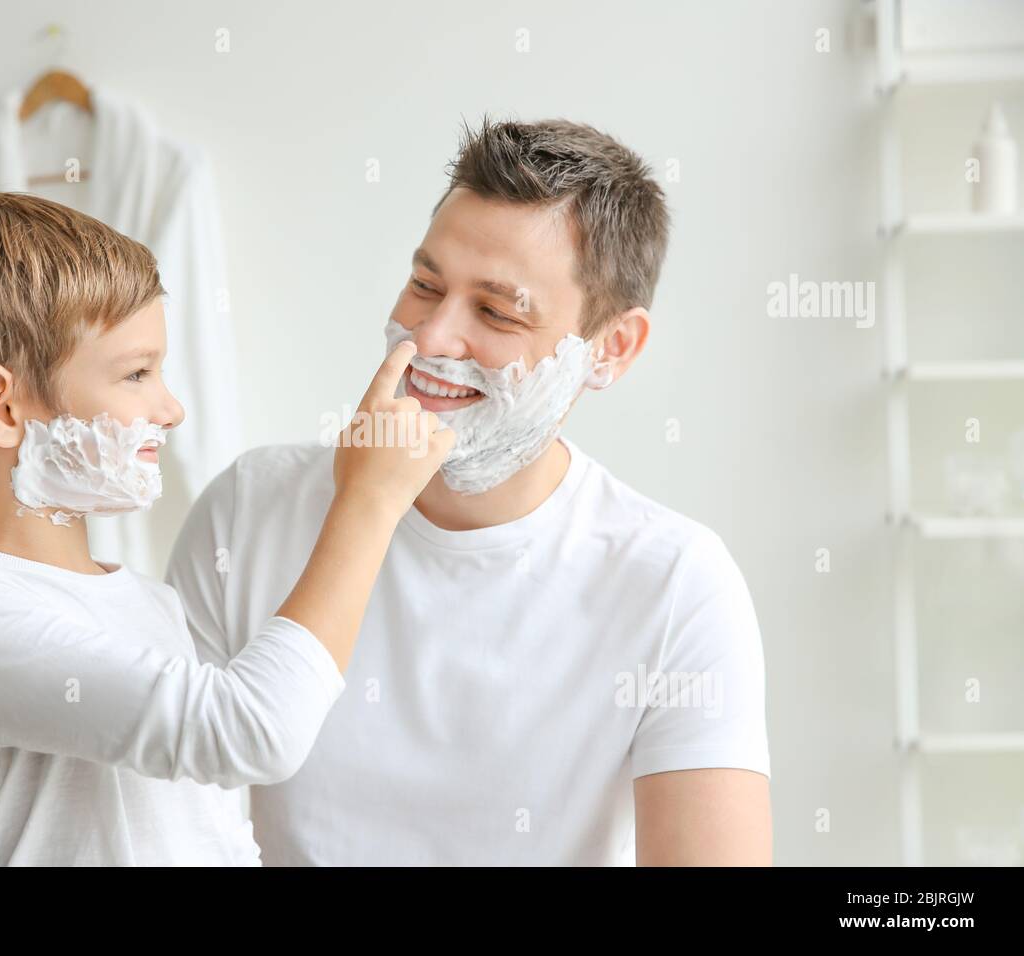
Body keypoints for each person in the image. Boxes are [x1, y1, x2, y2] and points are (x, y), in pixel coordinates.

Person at [168, 118, 773, 866]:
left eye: (497, 312)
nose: (430, 338)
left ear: (611, 349)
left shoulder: (676, 584)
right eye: (425, 285)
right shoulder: (246, 513)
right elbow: (165, 830)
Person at [0, 187, 452, 865]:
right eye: (137, 373)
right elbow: (254, 731)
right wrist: (369, 500)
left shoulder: (148, 603)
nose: (171, 409)